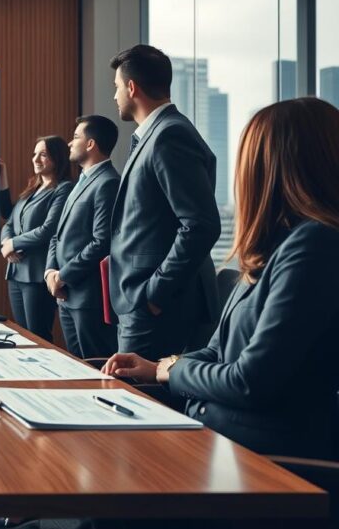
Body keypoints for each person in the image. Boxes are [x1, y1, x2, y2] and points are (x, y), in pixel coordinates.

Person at [103, 97, 339, 460]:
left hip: (265, 465)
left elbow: (249, 381)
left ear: (271, 169)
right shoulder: (274, 248)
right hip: (221, 444)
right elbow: (218, 351)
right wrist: (155, 368)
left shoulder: (314, 246)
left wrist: (174, 371)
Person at [108, 44, 220, 360]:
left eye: (117, 88)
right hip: (145, 302)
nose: (114, 97)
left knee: (141, 402)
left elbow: (200, 224)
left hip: (160, 306)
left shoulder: (169, 136)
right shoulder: (155, 134)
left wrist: (155, 294)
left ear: (132, 87)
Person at [44, 116, 121, 358]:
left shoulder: (108, 182)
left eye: (76, 137)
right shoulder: (80, 182)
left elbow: (101, 242)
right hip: (67, 295)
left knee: (96, 370)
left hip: (89, 298)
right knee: (78, 369)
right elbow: (57, 234)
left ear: (91, 144)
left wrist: (63, 276)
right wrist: (49, 272)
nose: (69, 143)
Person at [0, 136, 73, 342]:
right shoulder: (33, 187)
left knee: (38, 337)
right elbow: (9, 220)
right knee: (22, 337)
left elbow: (49, 230)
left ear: (58, 158)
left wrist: (13, 243)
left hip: (37, 275)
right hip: (16, 273)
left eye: (43, 155)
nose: (36, 159)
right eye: (34, 154)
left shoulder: (64, 189)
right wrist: (6, 243)